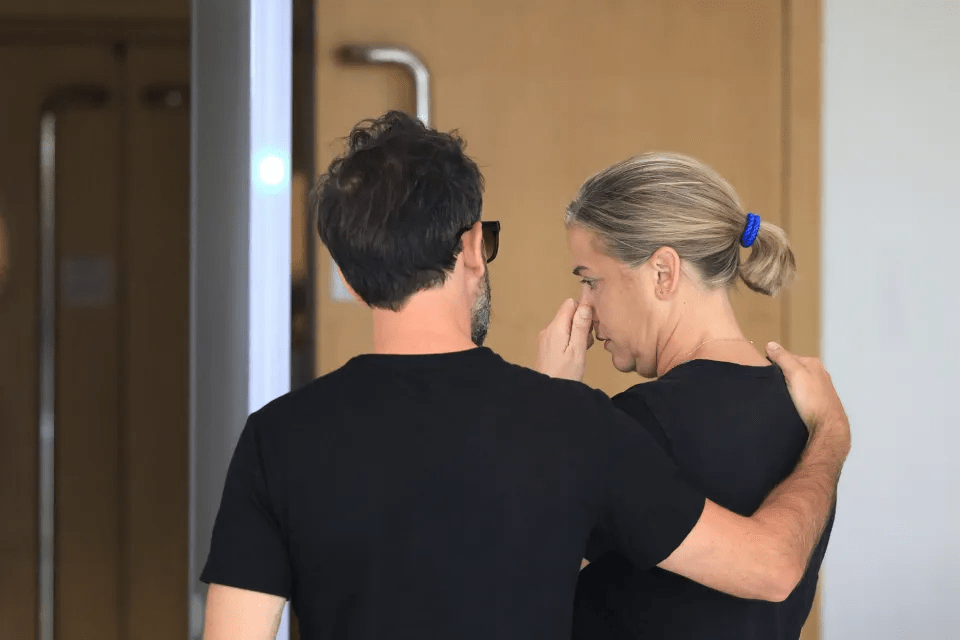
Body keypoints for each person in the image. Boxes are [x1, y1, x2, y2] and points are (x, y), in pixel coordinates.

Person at [199, 111, 849, 640]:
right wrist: (831, 438)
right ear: (473, 248)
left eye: (590, 280)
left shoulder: (275, 438)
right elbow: (771, 566)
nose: (588, 309)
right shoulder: (576, 427)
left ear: (343, 274)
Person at [542, 152, 833, 639]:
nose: (584, 310)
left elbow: (521, 571)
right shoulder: (805, 415)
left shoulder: (640, 424)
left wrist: (552, 407)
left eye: (591, 281)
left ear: (663, 272)